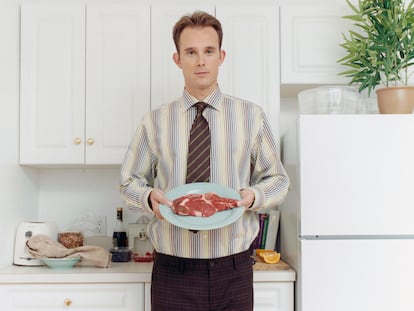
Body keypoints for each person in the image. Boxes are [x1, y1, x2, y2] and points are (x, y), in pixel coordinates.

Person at [120, 11, 289, 311]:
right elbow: (128, 182)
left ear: (221, 56)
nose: (200, 61)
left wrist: (254, 197)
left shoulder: (251, 117)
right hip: (174, 271)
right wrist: (148, 197)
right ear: (177, 59)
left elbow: (278, 180)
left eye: (208, 51)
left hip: (233, 271)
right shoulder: (154, 121)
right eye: (191, 52)